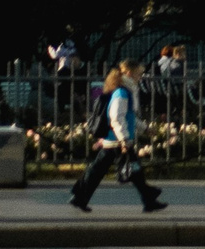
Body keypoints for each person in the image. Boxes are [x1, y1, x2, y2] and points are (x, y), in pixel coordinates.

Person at [69, 60, 166, 214]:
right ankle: (149, 198)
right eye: (138, 74)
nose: (140, 77)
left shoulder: (124, 90)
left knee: (104, 170)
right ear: (129, 73)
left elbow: (129, 117)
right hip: (117, 141)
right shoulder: (122, 92)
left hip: (115, 139)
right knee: (130, 170)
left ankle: (80, 197)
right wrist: (124, 139)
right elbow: (116, 118)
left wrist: (145, 128)